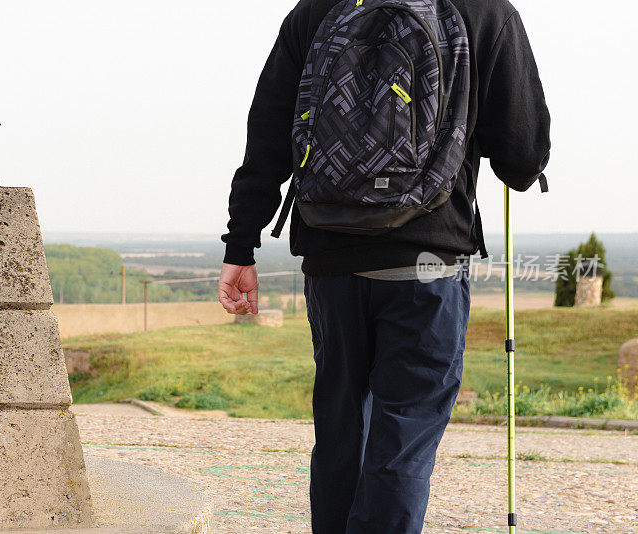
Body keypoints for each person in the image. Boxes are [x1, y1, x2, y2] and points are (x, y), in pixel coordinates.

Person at [218, 0, 550, 532]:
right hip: (428, 266)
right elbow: (523, 157)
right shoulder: (485, 9)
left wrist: (241, 247)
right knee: (403, 438)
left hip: (332, 260)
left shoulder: (316, 9)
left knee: (340, 432)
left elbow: (268, 133)